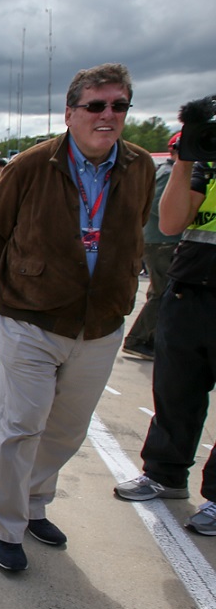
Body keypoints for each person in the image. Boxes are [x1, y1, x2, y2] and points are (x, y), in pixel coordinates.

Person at [0, 63, 155, 572]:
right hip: (29, 317)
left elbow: (136, 226)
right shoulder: (32, 165)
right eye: (96, 106)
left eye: (118, 105)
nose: (108, 115)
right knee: (19, 426)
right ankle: (6, 527)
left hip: (100, 324)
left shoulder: (140, 167)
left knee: (66, 429)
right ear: (70, 113)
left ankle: (34, 505)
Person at [113, 141, 216, 535]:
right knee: (176, 389)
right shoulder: (202, 166)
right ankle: (165, 473)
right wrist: (187, 160)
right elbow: (171, 223)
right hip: (190, 284)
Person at [121, 131, 184, 360]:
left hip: (160, 241)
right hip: (162, 241)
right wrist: (180, 218)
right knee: (162, 293)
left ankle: (148, 338)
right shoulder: (170, 173)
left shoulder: (168, 171)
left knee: (160, 292)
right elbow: (158, 206)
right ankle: (138, 339)